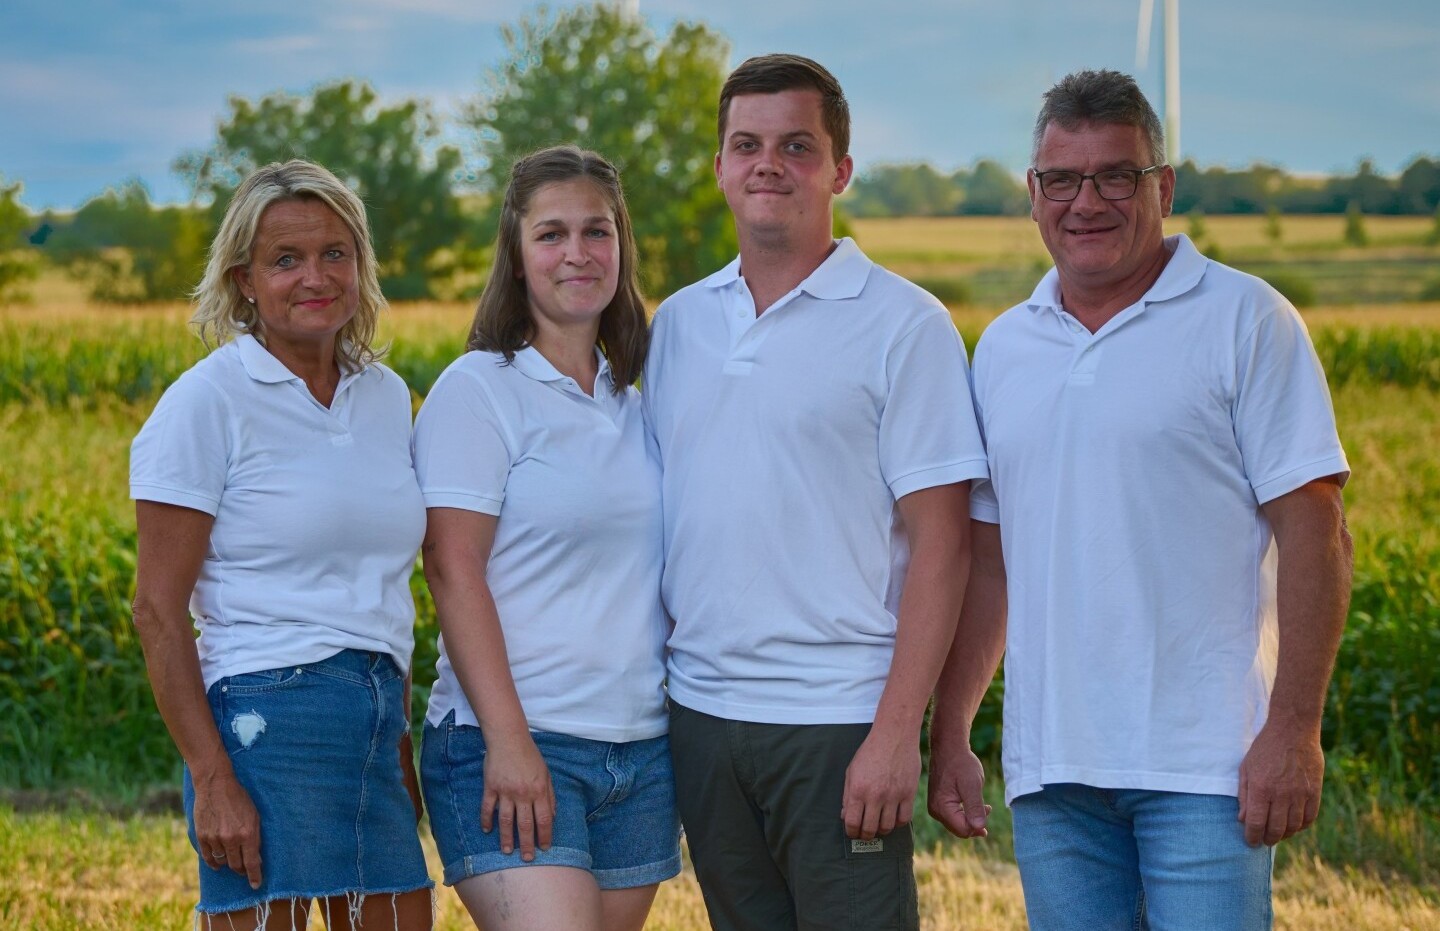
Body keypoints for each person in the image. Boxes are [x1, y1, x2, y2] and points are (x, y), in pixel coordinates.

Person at [927, 69, 1353, 930]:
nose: (1086, 202)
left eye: (1115, 176)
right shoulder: (1004, 348)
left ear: (1163, 186)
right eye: (1062, 179)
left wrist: (1293, 729)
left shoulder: (1246, 320)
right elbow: (992, 563)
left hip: (1207, 767)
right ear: (1033, 193)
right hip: (1054, 770)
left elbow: (1319, 532)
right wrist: (953, 730)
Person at [643, 54, 989, 930]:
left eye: (797, 146)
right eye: (747, 145)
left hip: (838, 718)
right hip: (702, 715)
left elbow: (945, 546)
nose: (769, 165)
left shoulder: (905, 325)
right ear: (720, 166)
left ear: (840, 169)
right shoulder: (677, 324)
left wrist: (898, 732)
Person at [129, 159, 433, 930]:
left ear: (360, 264)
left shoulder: (385, 396)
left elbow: (385, 587)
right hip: (263, 727)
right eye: (286, 259)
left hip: (375, 721)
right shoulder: (206, 402)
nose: (315, 277)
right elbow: (157, 610)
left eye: (335, 253)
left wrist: (398, 738)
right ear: (245, 280)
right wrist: (212, 777)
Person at [412, 144, 678, 931]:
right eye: (551, 234)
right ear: (517, 252)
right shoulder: (480, 390)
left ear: (622, 245)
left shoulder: (637, 400)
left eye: (597, 231)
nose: (577, 253)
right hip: (513, 740)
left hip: (640, 750)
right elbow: (451, 566)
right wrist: (509, 739)